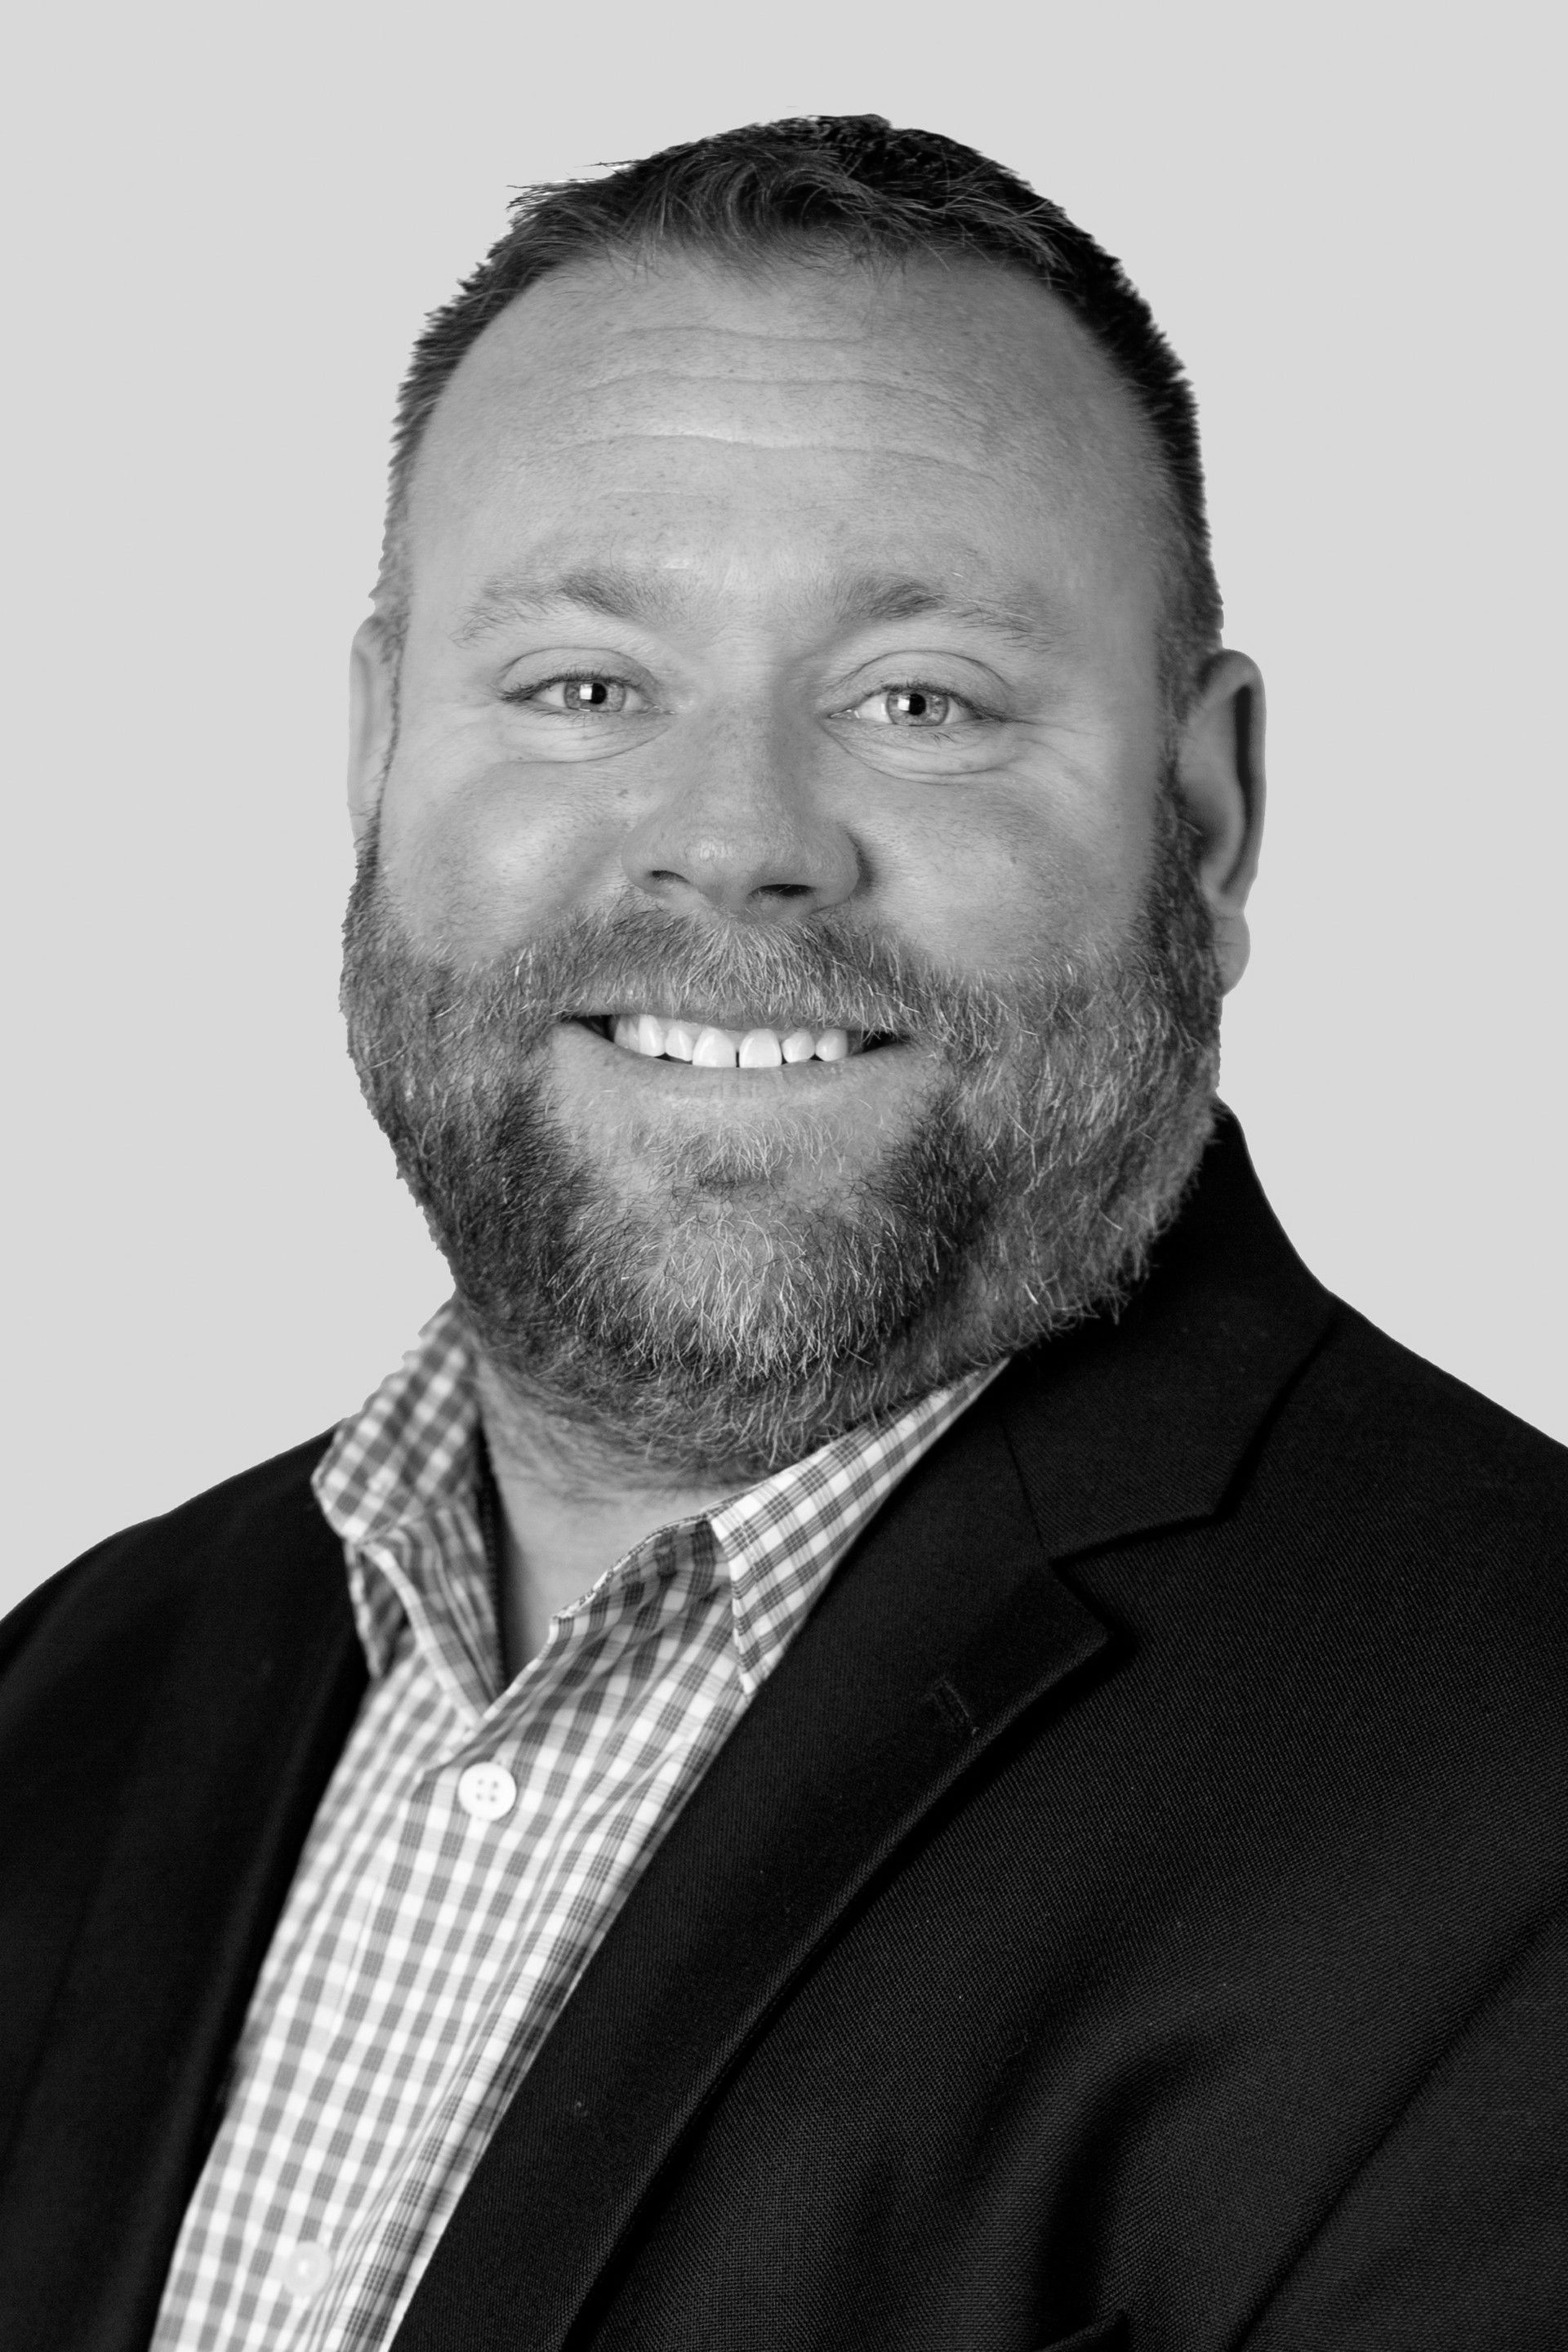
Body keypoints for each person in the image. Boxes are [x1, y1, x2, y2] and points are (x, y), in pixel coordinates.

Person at [1, 111, 1563, 2352]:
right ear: (376, 759)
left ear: (1208, 819)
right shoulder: (81, 1685)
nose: (733, 841)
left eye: (920, 701)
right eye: (582, 688)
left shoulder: (1514, 1789)